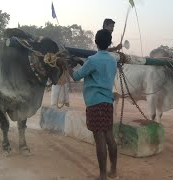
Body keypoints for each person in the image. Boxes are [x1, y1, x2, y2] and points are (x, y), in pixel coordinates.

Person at [69, 29, 118, 180]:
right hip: (108, 102)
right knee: (109, 135)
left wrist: (66, 66)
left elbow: (77, 76)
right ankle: (113, 171)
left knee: (99, 139)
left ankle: (102, 175)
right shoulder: (113, 60)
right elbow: (99, 72)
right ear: (109, 43)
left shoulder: (92, 60)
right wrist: (83, 63)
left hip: (94, 103)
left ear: (95, 42)